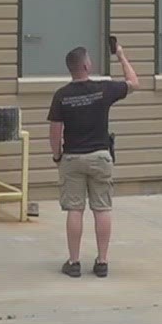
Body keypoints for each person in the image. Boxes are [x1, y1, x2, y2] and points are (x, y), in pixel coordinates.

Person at [49, 38, 140, 278]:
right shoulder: (103, 89)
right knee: (102, 208)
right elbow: (134, 82)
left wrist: (57, 155)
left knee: (75, 209)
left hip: (72, 158)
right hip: (100, 156)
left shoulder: (61, 96)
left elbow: (55, 131)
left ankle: (74, 261)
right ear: (86, 67)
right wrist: (120, 55)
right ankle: (102, 261)